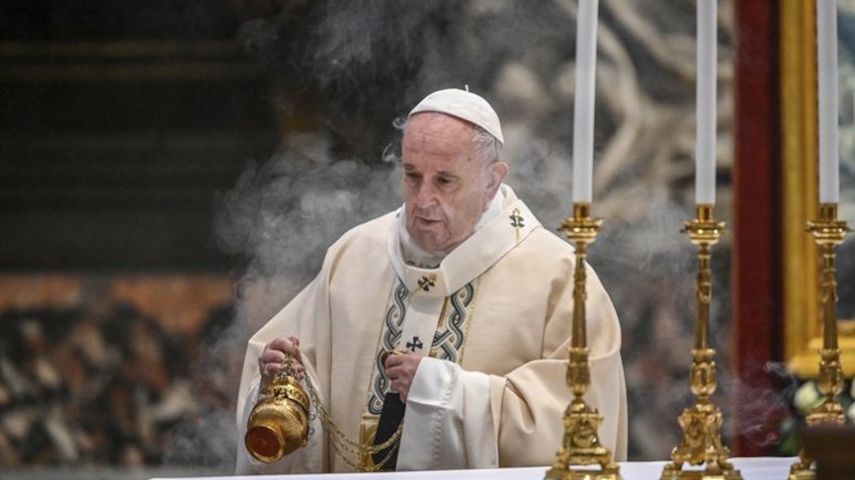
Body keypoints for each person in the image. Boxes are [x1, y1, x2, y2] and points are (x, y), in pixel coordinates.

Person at [235, 88, 627, 474]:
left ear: (493, 179)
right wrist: (284, 385)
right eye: (411, 176)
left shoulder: (558, 277)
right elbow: (301, 386)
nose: (422, 199)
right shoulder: (355, 256)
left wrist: (443, 392)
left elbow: (580, 428)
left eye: (444, 181)